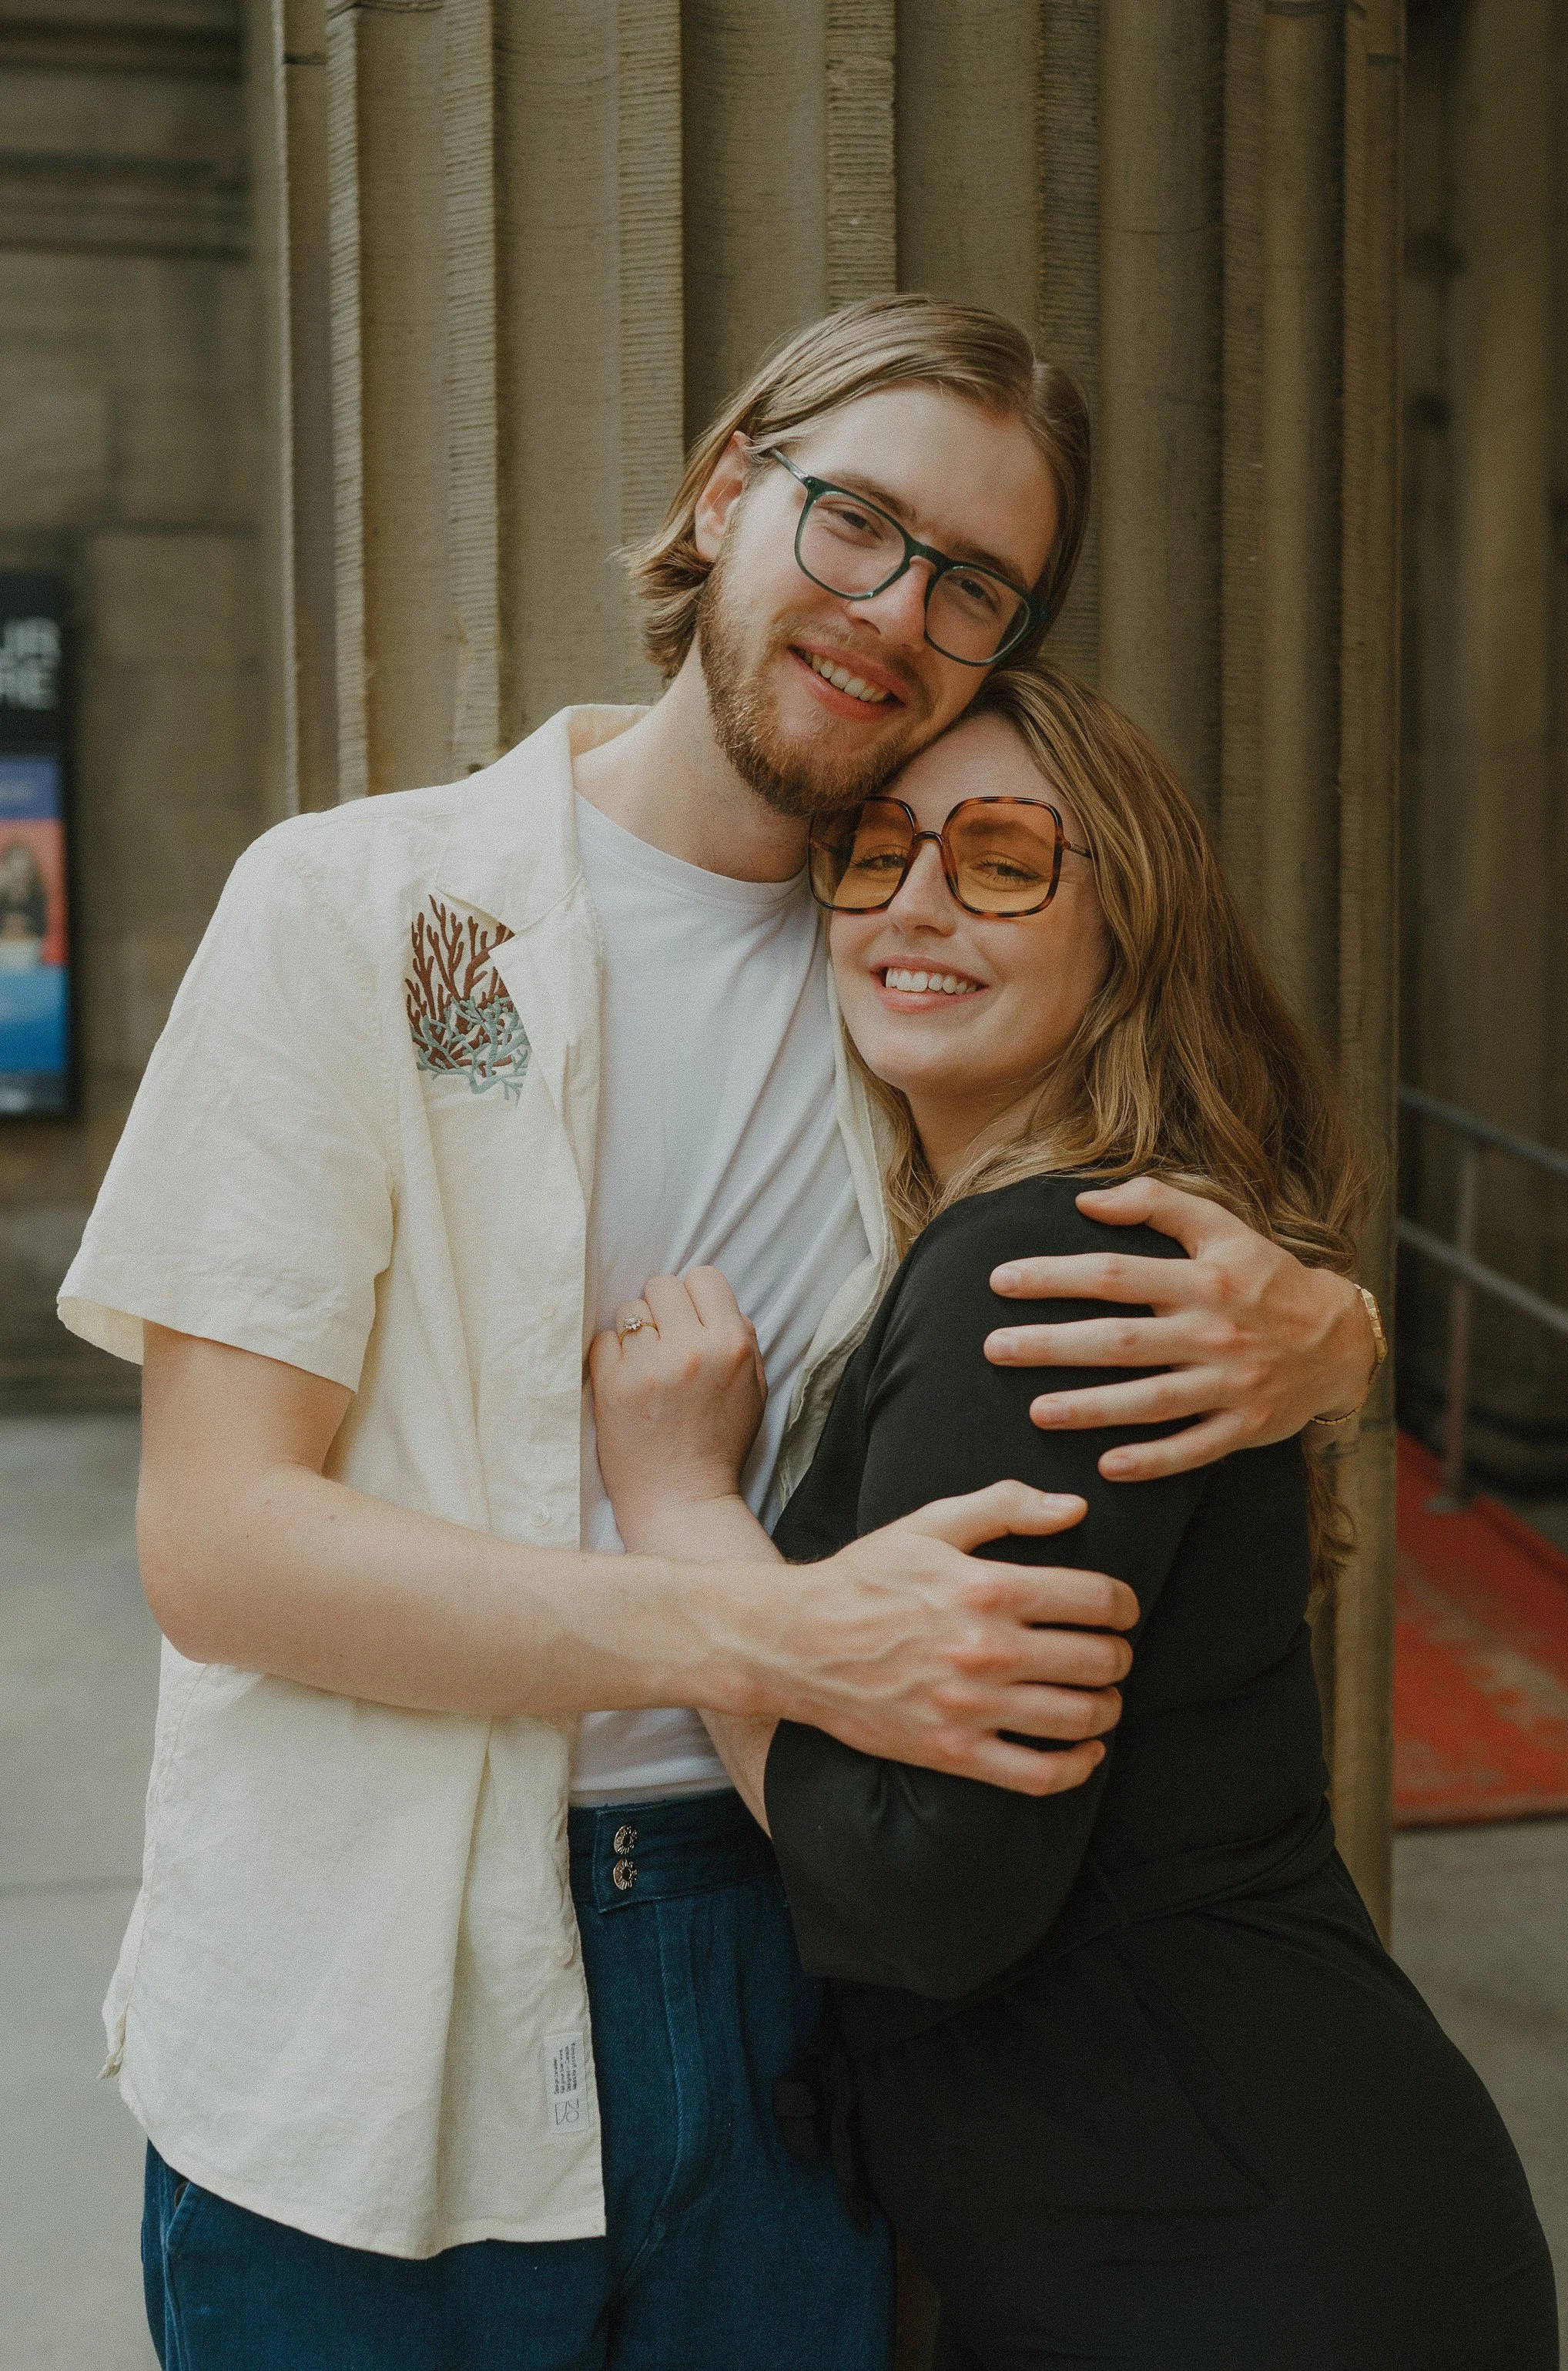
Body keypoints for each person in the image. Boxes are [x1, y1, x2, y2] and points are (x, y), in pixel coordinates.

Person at [59, 297, 1385, 2371]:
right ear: (721, 491)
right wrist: (772, 1630)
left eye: (974, 585)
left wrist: (1333, 1324)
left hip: (784, 1969)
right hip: (355, 1985)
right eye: (855, 520)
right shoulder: (355, 904)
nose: (893, 608)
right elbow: (220, 1547)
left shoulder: (926, 973)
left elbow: (1153, 1155)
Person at [588, 667, 1559, 2371]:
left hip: (1253, 2276)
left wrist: (679, 1513)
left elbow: (918, 1889)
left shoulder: (1042, 1275)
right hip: (1192, 2233)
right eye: (873, 849)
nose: (915, 902)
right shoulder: (1071, 1239)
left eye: (1004, 857)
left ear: (1130, 922)